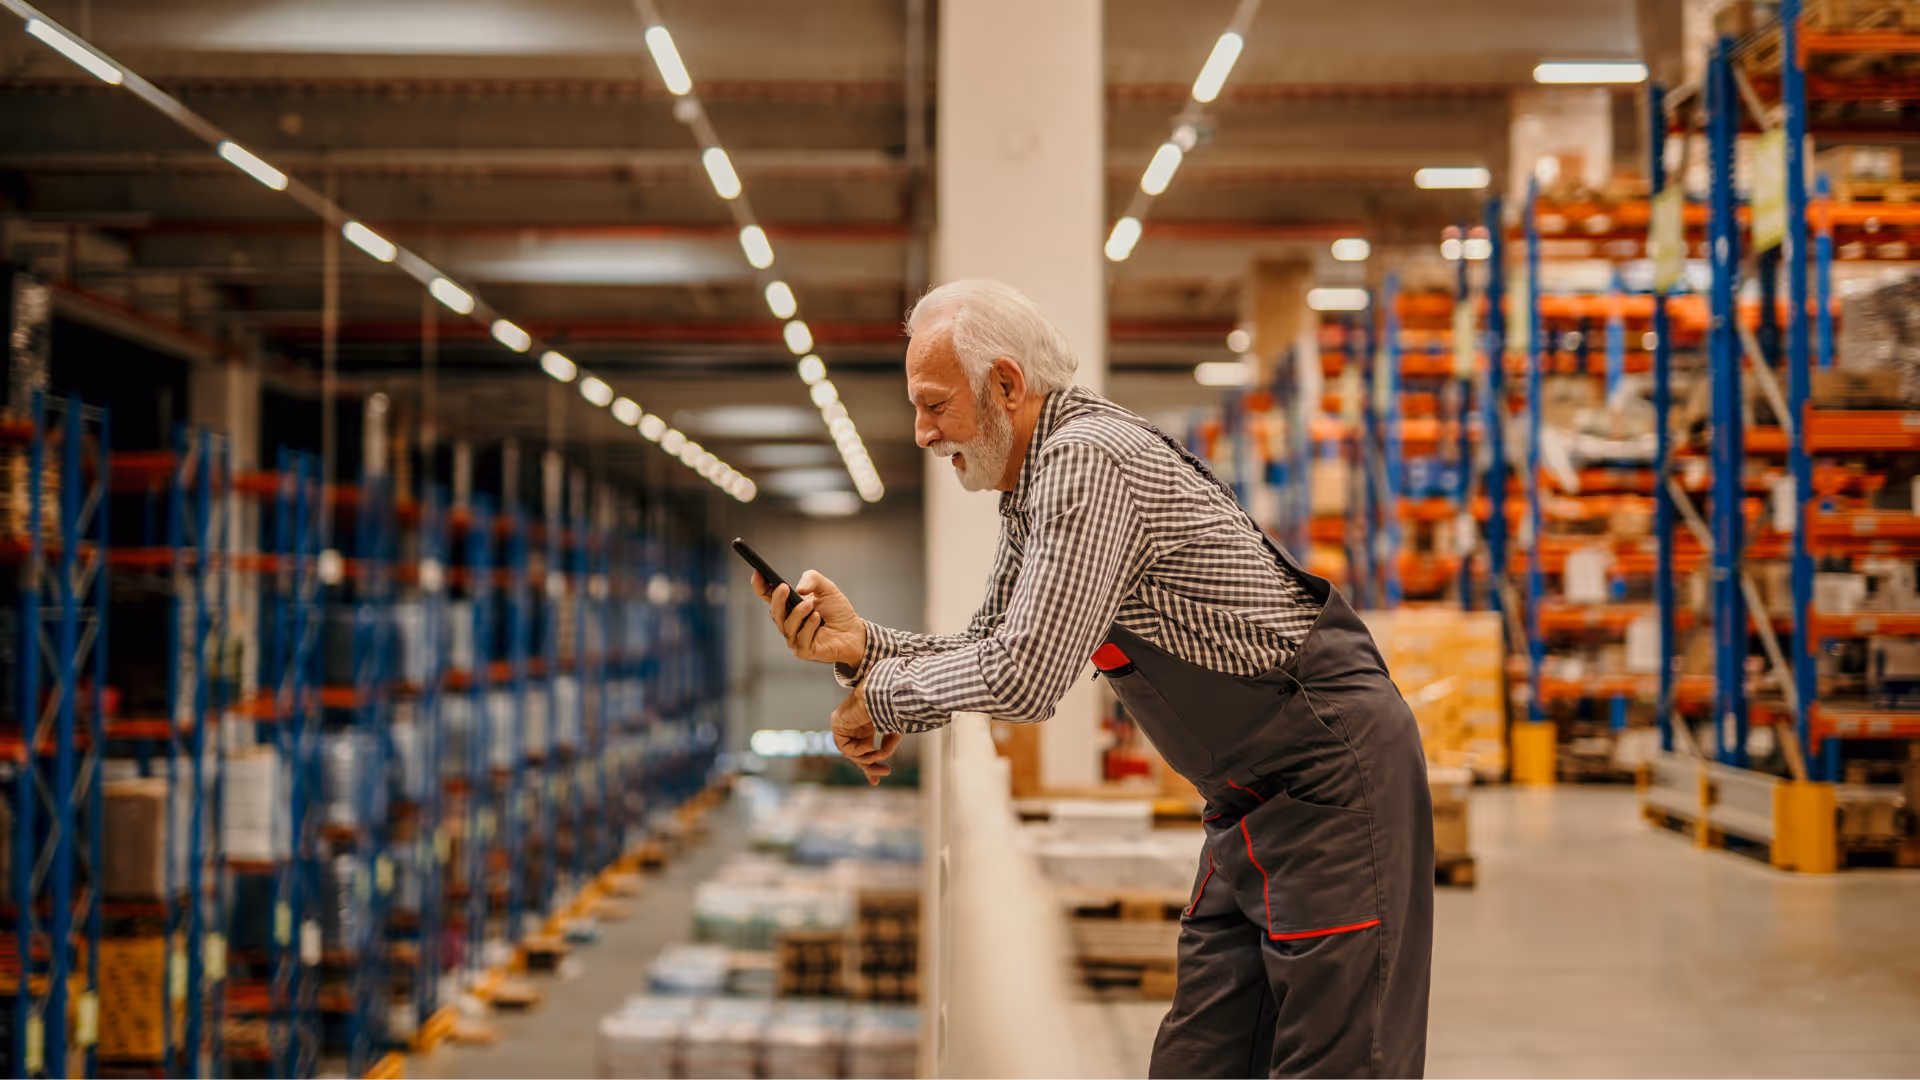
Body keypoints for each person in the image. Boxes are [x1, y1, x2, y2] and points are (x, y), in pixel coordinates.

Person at [751, 278, 1432, 1079]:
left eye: (934, 404)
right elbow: (989, 644)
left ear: (1005, 384)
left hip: (1332, 788)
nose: (923, 431)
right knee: (1198, 1061)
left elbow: (1026, 676)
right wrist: (862, 648)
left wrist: (884, 699)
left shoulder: (1085, 460)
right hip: (1250, 805)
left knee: (1339, 1064)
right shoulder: (1034, 478)